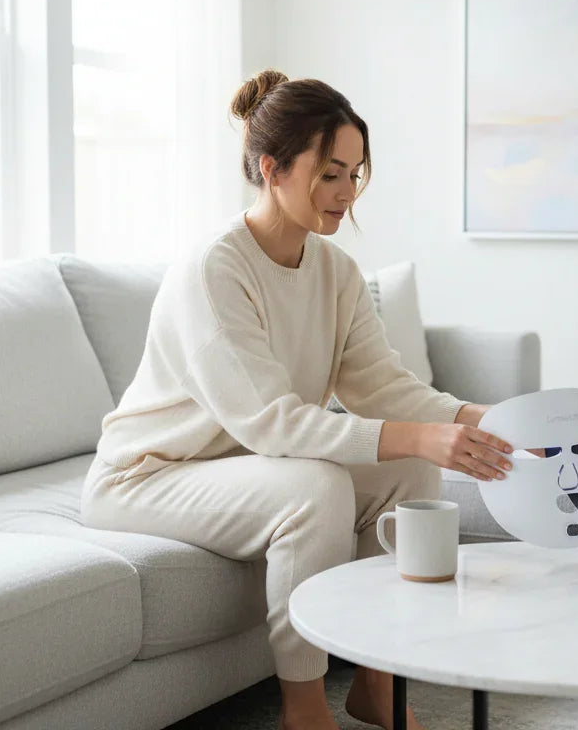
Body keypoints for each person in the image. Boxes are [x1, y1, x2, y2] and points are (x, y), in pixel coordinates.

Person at [80, 69, 517, 730]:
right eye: (330, 173)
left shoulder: (335, 270)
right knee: (316, 490)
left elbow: (378, 383)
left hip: (245, 465)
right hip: (149, 475)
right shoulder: (214, 270)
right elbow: (272, 423)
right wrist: (420, 433)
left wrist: (474, 419)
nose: (346, 193)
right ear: (272, 169)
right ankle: (304, 710)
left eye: (356, 173)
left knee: (411, 471)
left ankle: (378, 682)